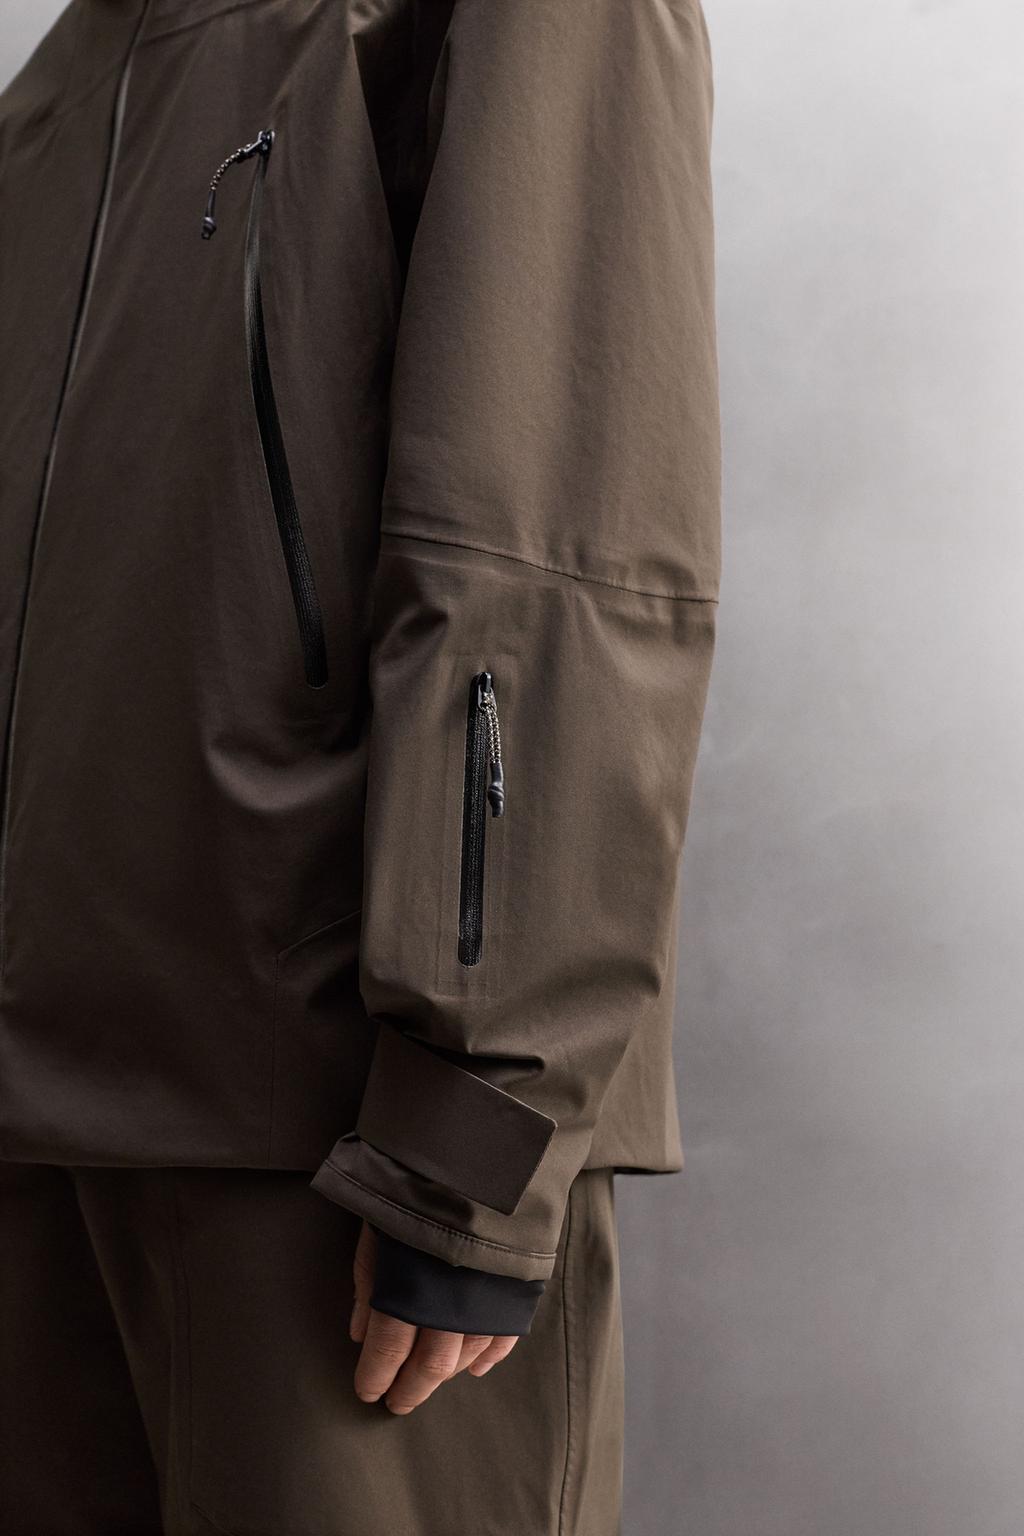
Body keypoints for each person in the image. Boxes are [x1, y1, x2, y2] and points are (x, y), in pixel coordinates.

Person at [0, 0, 721, 1531]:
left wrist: (471, 1136)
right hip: (48, 1114)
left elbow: (553, 539)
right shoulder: (79, 62)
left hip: (325, 1147)